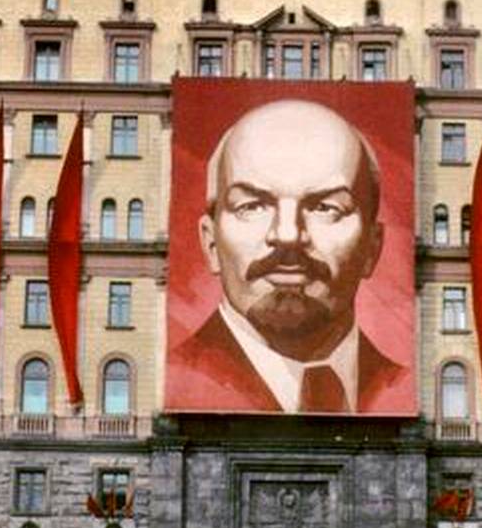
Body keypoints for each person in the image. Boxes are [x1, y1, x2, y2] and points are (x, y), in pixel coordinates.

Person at [170, 98, 410, 414]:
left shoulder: (399, 390)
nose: (287, 235)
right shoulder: (181, 377)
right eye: (251, 206)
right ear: (211, 242)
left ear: (372, 247)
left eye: (326, 208)